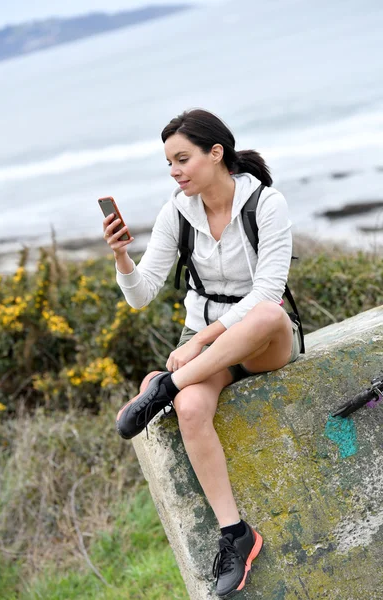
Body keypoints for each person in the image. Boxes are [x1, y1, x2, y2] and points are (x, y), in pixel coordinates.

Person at [102, 108, 302, 597]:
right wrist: (121, 256)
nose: (175, 171)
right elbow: (141, 292)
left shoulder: (266, 204)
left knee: (269, 314)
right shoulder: (177, 212)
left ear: (217, 154)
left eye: (183, 158)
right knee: (190, 407)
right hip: (208, 355)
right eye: (169, 162)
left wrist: (198, 341)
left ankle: (164, 387)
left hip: (261, 341)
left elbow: (268, 291)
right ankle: (236, 534)